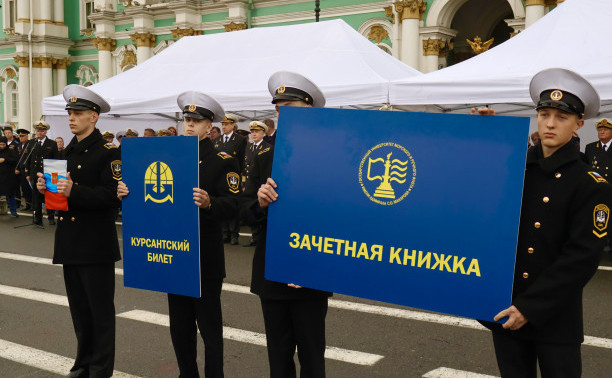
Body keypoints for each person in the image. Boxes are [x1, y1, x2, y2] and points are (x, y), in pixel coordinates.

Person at [481, 68, 612, 378]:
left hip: (553, 317)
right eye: (544, 114)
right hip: (506, 310)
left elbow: (581, 258)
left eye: (562, 117)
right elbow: (476, 190)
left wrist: (531, 307)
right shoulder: (514, 168)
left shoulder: (590, 184)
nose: (550, 123)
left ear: (579, 124)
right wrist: (483, 134)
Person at [117, 91, 240, 378]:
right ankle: (188, 374)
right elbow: (150, 191)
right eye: (187, 119)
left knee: (210, 328)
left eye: (197, 120)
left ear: (210, 125)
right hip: (174, 254)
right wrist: (126, 192)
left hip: (203, 258)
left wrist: (210, 203)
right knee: (180, 326)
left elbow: (233, 205)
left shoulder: (222, 160)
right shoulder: (168, 156)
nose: (189, 124)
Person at [242, 71, 331, 378]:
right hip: (273, 269)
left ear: (310, 108)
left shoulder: (328, 151)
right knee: (278, 355)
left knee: (311, 355)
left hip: (312, 267)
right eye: (279, 107)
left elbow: (336, 211)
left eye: (291, 104)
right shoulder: (264, 152)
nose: (283, 112)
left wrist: (310, 264)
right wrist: (260, 203)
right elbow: (245, 208)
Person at [35, 84, 121, 378]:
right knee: (81, 313)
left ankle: (100, 369)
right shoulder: (66, 150)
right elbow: (61, 199)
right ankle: (83, 363)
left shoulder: (108, 152)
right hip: (70, 242)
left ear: (94, 117)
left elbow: (112, 198)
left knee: (100, 313)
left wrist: (74, 191)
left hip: (95, 244)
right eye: (70, 112)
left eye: (79, 113)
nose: (72, 118)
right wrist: (47, 190)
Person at [213, 114, 246, 245]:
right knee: (221, 204)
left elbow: (243, 160)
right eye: (223, 124)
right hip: (220, 177)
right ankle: (225, 232)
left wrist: (242, 179)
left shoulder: (239, 140)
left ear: (233, 125)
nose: (224, 126)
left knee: (233, 205)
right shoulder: (217, 140)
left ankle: (234, 234)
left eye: (227, 124)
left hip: (233, 178)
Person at [241, 121, 271, 247]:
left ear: (263, 133)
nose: (254, 134)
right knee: (251, 208)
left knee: (259, 209)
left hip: (260, 184)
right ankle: (254, 236)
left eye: (257, 131)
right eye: (252, 132)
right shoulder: (248, 147)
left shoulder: (266, 148)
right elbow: (244, 166)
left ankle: (259, 237)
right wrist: (243, 183)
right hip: (249, 184)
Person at [25, 121, 59, 226]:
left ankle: (51, 217)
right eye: (38, 130)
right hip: (35, 174)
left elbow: (56, 160)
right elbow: (28, 159)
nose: (40, 132)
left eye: (42, 130)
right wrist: (28, 173)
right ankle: (38, 219)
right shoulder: (32, 143)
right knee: (36, 197)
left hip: (47, 175)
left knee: (49, 196)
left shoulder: (52, 144)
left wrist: (54, 176)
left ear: (46, 132)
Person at [0, 136, 19, 217]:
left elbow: (15, 160)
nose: (2, 146)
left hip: (8, 177)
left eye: (3, 144)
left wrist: (5, 159)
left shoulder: (11, 151)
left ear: (6, 144)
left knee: (10, 195)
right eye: (0, 144)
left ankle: (13, 211)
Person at [15, 129, 33, 210]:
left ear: (27, 136)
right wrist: (17, 168)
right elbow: (18, 159)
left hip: (28, 170)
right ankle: (28, 204)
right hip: (21, 170)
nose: (21, 138)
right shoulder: (18, 145)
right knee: (24, 189)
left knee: (30, 188)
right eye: (20, 136)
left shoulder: (30, 144)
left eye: (23, 136)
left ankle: (33, 205)